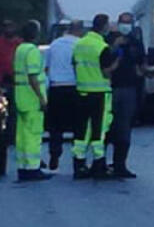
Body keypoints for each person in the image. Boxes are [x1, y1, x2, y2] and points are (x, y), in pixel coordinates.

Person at [71, 13, 119, 179]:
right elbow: (106, 72)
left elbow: (74, 65)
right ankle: (99, 163)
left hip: (81, 91)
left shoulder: (79, 44)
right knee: (99, 129)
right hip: (99, 93)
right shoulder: (101, 47)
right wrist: (116, 64)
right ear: (104, 26)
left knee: (82, 129)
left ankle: (79, 163)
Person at [106, 11, 145, 179]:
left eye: (128, 22)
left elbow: (140, 65)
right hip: (110, 88)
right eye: (123, 22)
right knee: (106, 128)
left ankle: (120, 164)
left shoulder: (136, 43)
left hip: (129, 88)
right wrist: (115, 47)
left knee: (124, 128)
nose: (125, 25)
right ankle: (99, 163)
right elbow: (103, 60)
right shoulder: (109, 40)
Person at [12, 20, 50, 181]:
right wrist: (41, 98)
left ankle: (23, 166)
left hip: (20, 96)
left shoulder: (20, 49)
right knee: (34, 134)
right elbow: (33, 76)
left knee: (22, 135)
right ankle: (33, 167)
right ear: (35, 34)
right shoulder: (33, 51)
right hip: (32, 97)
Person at [45, 19, 83, 170]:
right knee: (77, 125)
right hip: (74, 87)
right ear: (79, 30)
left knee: (55, 127)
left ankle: (54, 155)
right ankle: (77, 159)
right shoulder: (80, 45)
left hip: (56, 88)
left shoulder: (54, 45)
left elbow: (47, 67)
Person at [0, 19, 22, 143]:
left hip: (15, 81)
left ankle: (11, 135)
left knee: (13, 110)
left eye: (11, 27)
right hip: (0, 81)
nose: (9, 29)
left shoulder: (19, 44)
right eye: (6, 27)